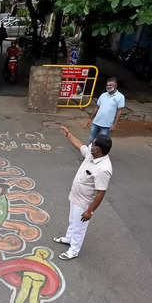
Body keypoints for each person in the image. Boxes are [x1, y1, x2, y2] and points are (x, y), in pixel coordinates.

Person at [53, 126, 112, 260]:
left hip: (85, 203)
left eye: (93, 145)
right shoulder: (92, 154)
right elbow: (79, 146)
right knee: (72, 221)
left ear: (99, 150)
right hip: (75, 196)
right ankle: (68, 238)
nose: (90, 146)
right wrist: (69, 134)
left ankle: (73, 250)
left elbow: (101, 193)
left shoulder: (103, 169)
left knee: (79, 228)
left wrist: (89, 211)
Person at [84, 77, 125, 144]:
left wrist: (114, 124)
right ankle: (89, 152)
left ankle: (100, 154)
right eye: (107, 85)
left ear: (116, 86)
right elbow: (96, 107)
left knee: (102, 143)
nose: (108, 87)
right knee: (91, 139)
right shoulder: (103, 95)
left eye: (110, 85)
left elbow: (119, 112)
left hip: (107, 125)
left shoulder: (120, 97)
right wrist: (90, 119)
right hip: (96, 122)